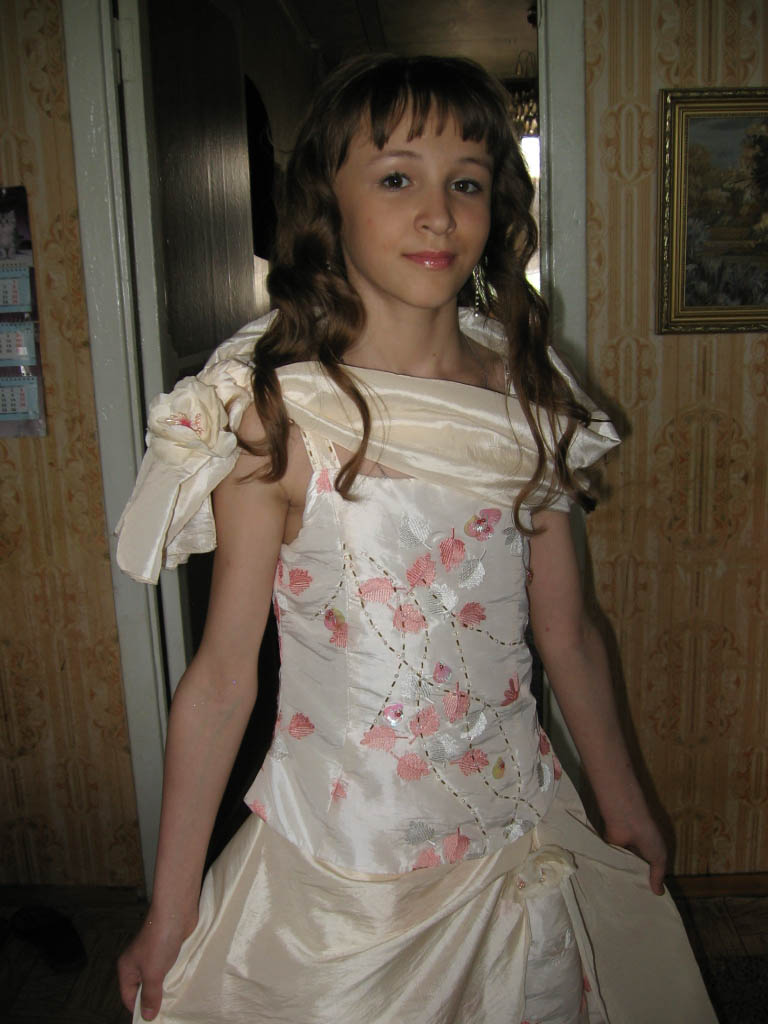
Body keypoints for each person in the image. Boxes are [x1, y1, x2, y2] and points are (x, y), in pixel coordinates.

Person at [115, 55, 715, 1024]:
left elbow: (569, 633)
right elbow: (223, 678)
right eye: (398, 177)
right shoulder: (281, 416)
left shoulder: (527, 398)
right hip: (339, 865)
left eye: (466, 183)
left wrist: (623, 799)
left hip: (516, 839)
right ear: (330, 203)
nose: (438, 213)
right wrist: (170, 902)